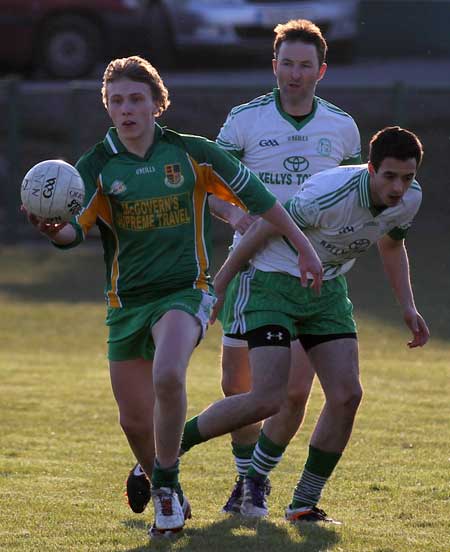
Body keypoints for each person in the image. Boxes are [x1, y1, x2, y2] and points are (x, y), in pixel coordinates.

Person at [23, 55, 322, 538]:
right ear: (108, 107)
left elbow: (263, 200)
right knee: (133, 422)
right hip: (126, 305)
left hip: (187, 292)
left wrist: (305, 250)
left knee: (168, 372)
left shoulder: (192, 153)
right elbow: (73, 235)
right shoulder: (95, 167)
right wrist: (52, 229)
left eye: (136, 99)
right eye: (116, 100)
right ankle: (171, 485)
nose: (126, 109)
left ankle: (163, 488)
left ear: (157, 104)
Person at [127, 18, 362, 515]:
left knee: (291, 391)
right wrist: (237, 214)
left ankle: (254, 481)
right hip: (251, 267)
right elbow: (209, 184)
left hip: (307, 274)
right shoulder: (246, 120)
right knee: (240, 388)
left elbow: (351, 199)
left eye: (306, 65)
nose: (295, 74)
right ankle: (232, 476)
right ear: (273, 64)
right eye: (287, 63)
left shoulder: (341, 128)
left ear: (323, 69)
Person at [182, 126, 430, 522]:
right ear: (370, 168)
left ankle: (302, 503)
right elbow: (265, 226)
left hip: (326, 288)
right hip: (271, 282)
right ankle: (169, 450)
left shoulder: (408, 201)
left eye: (408, 177)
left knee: (347, 395)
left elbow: (392, 244)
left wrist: (408, 306)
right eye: (389, 176)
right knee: (267, 398)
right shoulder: (330, 193)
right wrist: (221, 286)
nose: (399, 187)